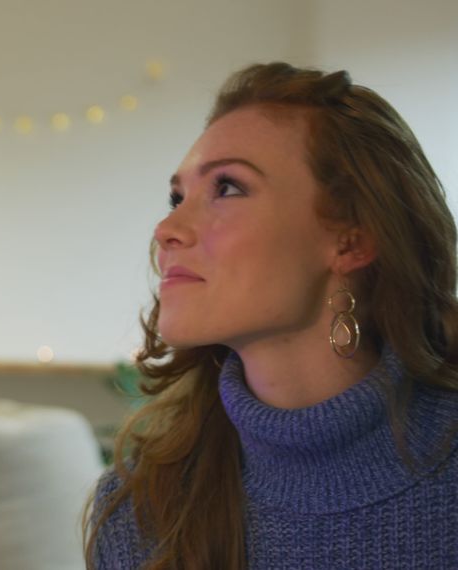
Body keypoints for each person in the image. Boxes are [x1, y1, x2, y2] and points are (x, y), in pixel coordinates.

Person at [85, 62, 458, 569]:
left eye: (228, 188)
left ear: (352, 240)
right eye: (177, 197)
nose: (167, 227)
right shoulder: (140, 508)